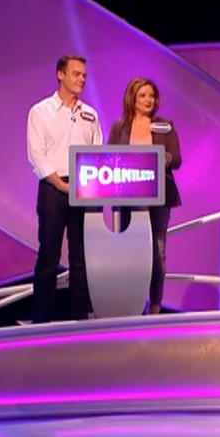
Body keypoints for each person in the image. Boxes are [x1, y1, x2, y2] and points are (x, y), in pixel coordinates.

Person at [26, 55, 102, 323]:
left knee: (81, 254)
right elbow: (37, 154)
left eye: (84, 75)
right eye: (76, 74)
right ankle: (42, 313)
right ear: (60, 74)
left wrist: (87, 186)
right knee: (49, 252)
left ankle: (80, 313)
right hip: (53, 188)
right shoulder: (40, 111)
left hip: (83, 187)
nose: (82, 79)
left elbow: (97, 151)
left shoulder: (90, 114)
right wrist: (60, 184)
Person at [107, 78, 182, 315]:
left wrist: (162, 157)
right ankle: (131, 304)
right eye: (143, 95)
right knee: (130, 250)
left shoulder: (164, 126)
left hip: (158, 196)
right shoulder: (120, 127)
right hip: (128, 197)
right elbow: (109, 158)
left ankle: (155, 306)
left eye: (152, 95)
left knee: (157, 250)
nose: (148, 100)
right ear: (132, 98)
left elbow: (177, 159)